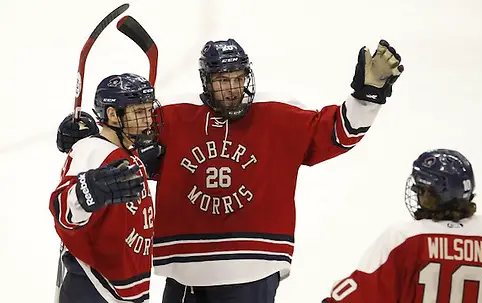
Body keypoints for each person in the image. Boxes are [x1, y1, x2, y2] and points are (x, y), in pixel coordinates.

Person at [56, 38, 404, 303]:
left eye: (237, 78)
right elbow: (122, 140)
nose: (231, 88)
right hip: (185, 270)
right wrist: (87, 133)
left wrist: (367, 94)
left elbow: (338, 132)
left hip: (253, 266)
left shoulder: (278, 116)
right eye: (221, 80)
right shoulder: (174, 117)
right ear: (206, 81)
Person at [321, 149, 482, 303]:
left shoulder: (406, 239)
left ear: (438, 195)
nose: (416, 192)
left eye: (422, 189)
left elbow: (360, 296)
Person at [49, 73, 161, 303]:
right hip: (92, 287)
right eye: (139, 113)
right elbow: (62, 209)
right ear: (112, 115)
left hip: (126, 286)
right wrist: (85, 192)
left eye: (149, 111)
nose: (148, 120)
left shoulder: (128, 153)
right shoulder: (92, 149)